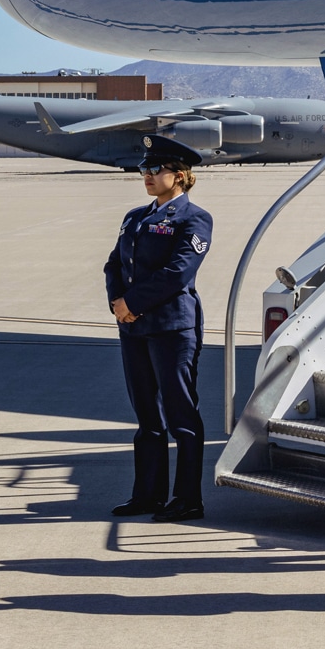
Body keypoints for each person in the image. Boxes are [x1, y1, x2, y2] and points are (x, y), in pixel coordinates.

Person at [104, 135, 214, 522]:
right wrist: (119, 306)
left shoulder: (194, 218)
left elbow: (177, 272)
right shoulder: (135, 216)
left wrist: (131, 304)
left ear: (180, 176)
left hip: (172, 328)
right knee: (147, 417)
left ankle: (187, 499)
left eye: (156, 170)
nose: (147, 175)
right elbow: (114, 265)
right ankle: (147, 495)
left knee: (182, 416)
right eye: (144, 169)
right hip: (133, 329)